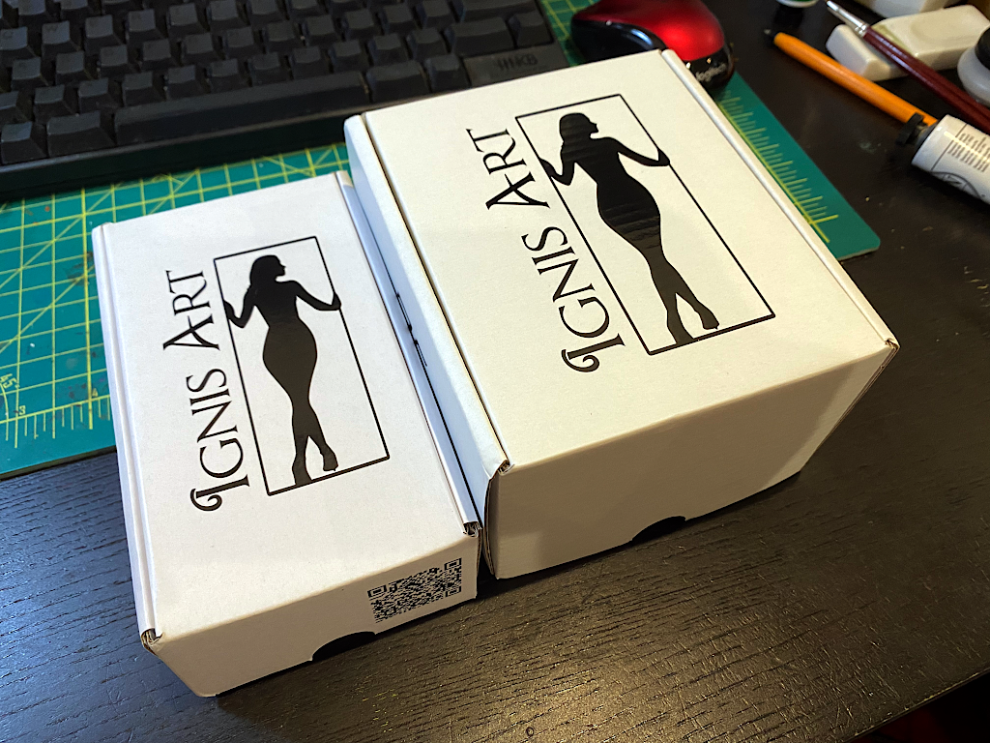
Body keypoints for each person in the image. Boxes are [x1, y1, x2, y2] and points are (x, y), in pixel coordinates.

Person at [540, 112, 718, 346]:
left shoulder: (570, 151)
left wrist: (548, 169)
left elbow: (565, 179)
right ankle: (688, 313)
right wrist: (661, 159)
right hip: (632, 195)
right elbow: (648, 161)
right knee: (656, 258)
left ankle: (687, 315)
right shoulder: (607, 143)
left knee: (655, 259)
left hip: (610, 202)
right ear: (583, 127)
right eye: (588, 121)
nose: (595, 122)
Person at [224, 255, 341, 486]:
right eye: (279, 264)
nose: (284, 266)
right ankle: (319, 453)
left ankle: (308, 459)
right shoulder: (290, 287)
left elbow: (240, 322)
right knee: (301, 402)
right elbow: (323, 306)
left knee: (299, 402)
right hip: (298, 341)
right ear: (271, 269)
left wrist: (227, 311)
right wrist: (335, 303)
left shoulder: (255, 293)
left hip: (277, 346)